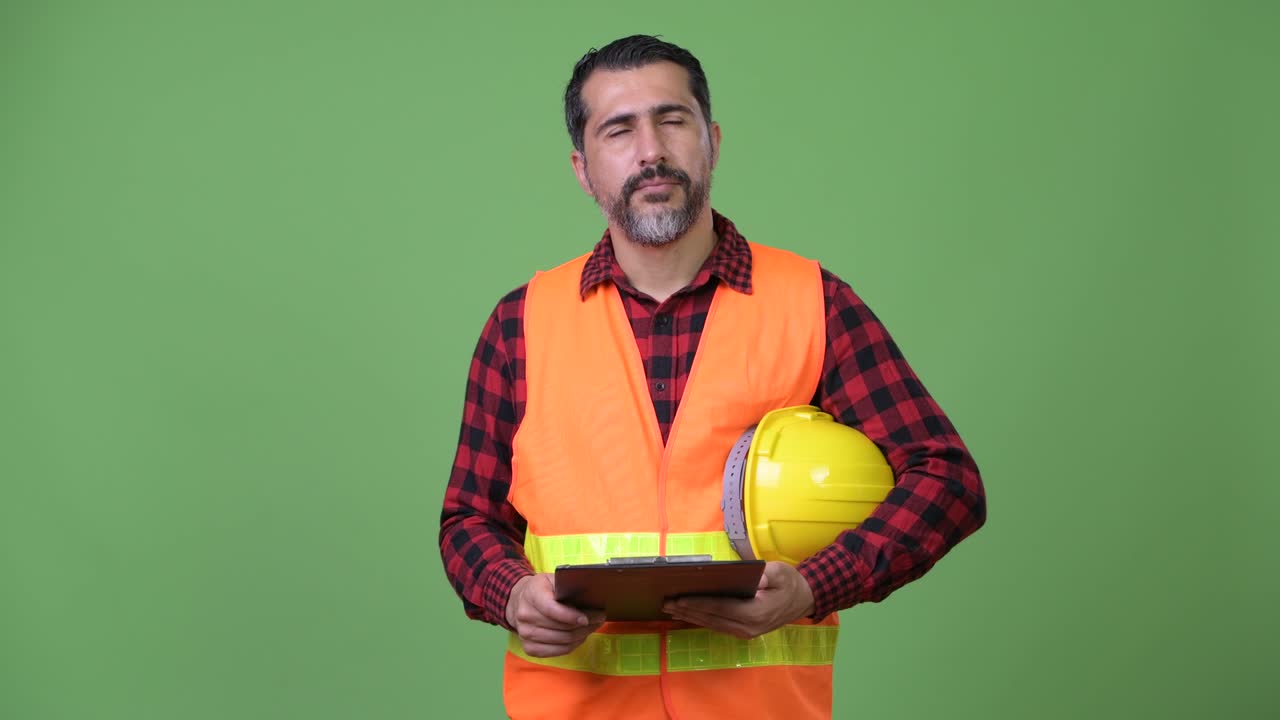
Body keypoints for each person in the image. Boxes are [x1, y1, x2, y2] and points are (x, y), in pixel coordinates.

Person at [439, 34, 986, 719]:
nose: (651, 151)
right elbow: (467, 520)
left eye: (672, 120)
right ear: (583, 168)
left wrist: (814, 587)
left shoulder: (813, 303)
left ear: (712, 141)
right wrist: (513, 593)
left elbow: (948, 480)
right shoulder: (521, 323)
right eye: (619, 130)